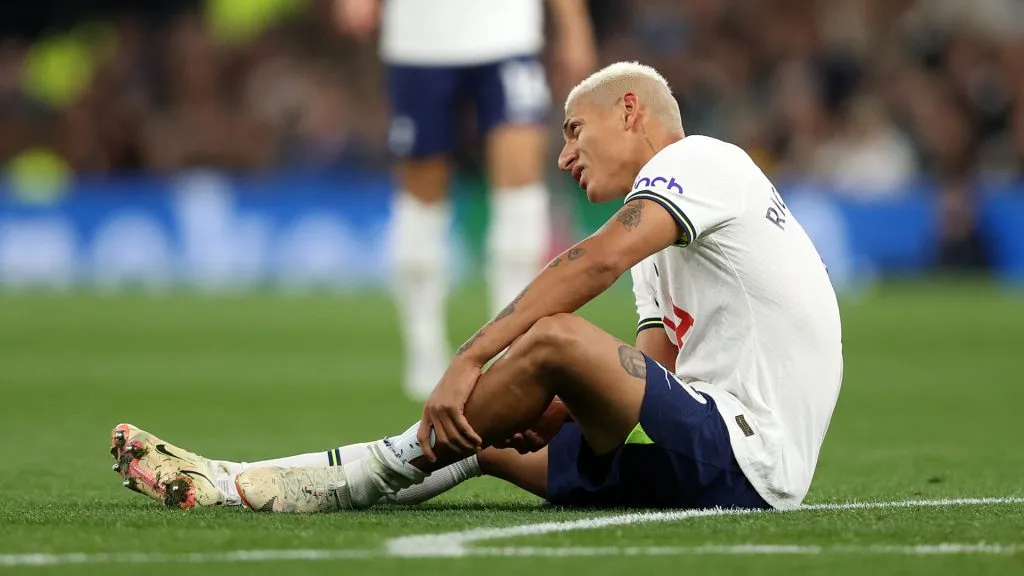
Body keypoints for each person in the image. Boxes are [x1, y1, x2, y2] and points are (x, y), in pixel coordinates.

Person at [111, 61, 844, 513]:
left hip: (753, 451)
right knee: (478, 440)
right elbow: (641, 390)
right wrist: (548, 403)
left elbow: (590, 264)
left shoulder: (701, 160)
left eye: (572, 130)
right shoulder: (664, 243)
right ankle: (240, 482)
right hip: (720, 458)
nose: (563, 156)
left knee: (552, 337)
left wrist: (474, 357)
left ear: (630, 113)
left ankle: (361, 473)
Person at [336, 0, 598, 400]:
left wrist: (573, 24)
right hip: (420, 40)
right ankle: (424, 345)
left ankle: (513, 344)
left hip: (507, 33)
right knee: (422, 195)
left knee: (520, 185)